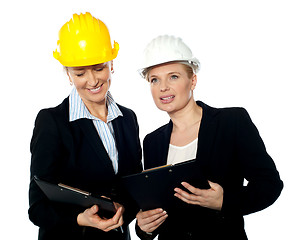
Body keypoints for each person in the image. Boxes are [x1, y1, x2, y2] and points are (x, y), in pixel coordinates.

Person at [135, 35, 283, 240]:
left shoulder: (232, 122)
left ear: (193, 80)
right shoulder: (152, 142)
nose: (163, 87)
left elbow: (270, 185)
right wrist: (144, 227)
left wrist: (224, 201)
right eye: (154, 80)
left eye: (174, 76)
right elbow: (154, 210)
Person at [28, 12, 142, 240]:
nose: (92, 81)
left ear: (112, 64)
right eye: (80, 73)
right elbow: (38, 207)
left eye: (99, 68)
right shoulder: (52, 122)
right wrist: (81, 218)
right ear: (68, 74)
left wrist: (126, 210)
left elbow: (134, 186)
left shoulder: (127, 118)